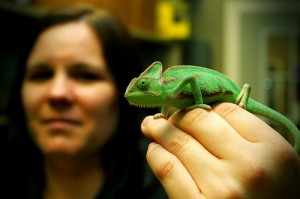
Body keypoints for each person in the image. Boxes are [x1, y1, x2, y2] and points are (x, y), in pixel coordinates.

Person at [1, 3, 300, 199]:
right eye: (40, 74)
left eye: (85, 75)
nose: (57, 93)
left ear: (116, 93)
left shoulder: (175, 179)